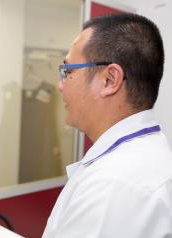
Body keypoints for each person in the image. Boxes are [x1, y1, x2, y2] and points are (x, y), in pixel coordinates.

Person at [42, 13, 172, 238]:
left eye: (68, 71)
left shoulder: (113, 186)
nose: (60, 86)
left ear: (110, 80)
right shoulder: (143, 155)